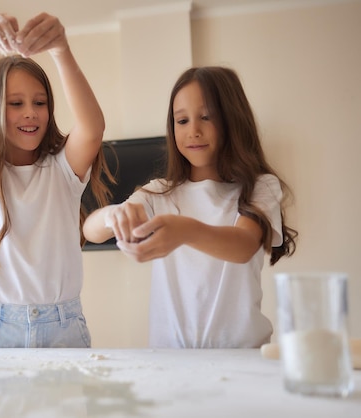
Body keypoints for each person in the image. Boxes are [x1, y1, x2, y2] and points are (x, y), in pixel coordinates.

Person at [83, 66, 298, 349]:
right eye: (181, 120)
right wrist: (113, 215)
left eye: (206, 117)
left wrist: (184, 231)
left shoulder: (260, 187)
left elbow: (243, 245)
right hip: (171, 357)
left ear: (233, 121)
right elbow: (90, 230)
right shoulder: (159, 192)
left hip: (243, 355)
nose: (193, 130)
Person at [0, 12, 112, 348]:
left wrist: (61, 50)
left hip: (63, 327)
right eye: (15, 104)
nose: (30, 112)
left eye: (40, 102)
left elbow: (92, 129)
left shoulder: (63, 170)